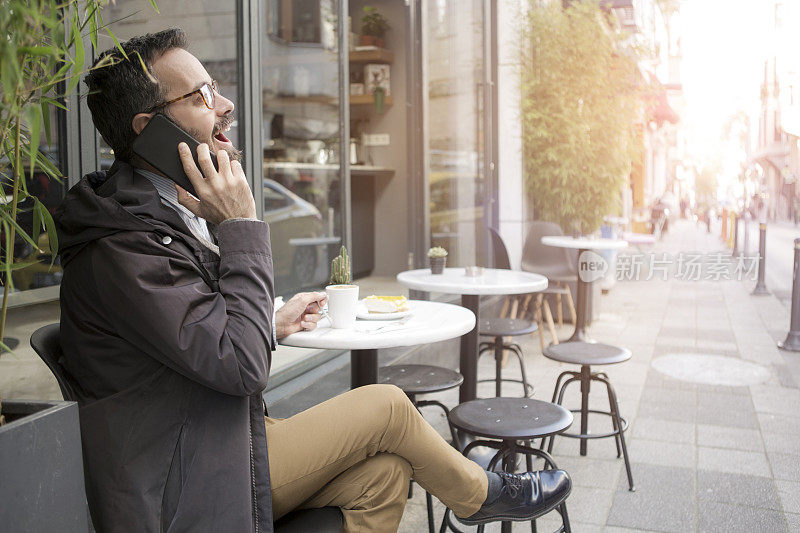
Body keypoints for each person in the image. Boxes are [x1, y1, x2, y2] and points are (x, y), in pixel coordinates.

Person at [55, 29, 571, 532]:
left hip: (212, 437)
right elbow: (241, 368)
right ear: (149, 128)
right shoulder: (122, 244)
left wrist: (269, 323)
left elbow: (189, 337)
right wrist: (240, 228)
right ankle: (481, 496)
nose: (226, 105)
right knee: (389, 406)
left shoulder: (159, 216)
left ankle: (476, 495)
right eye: (204, 95)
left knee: (385, 476)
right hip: (182, 475)